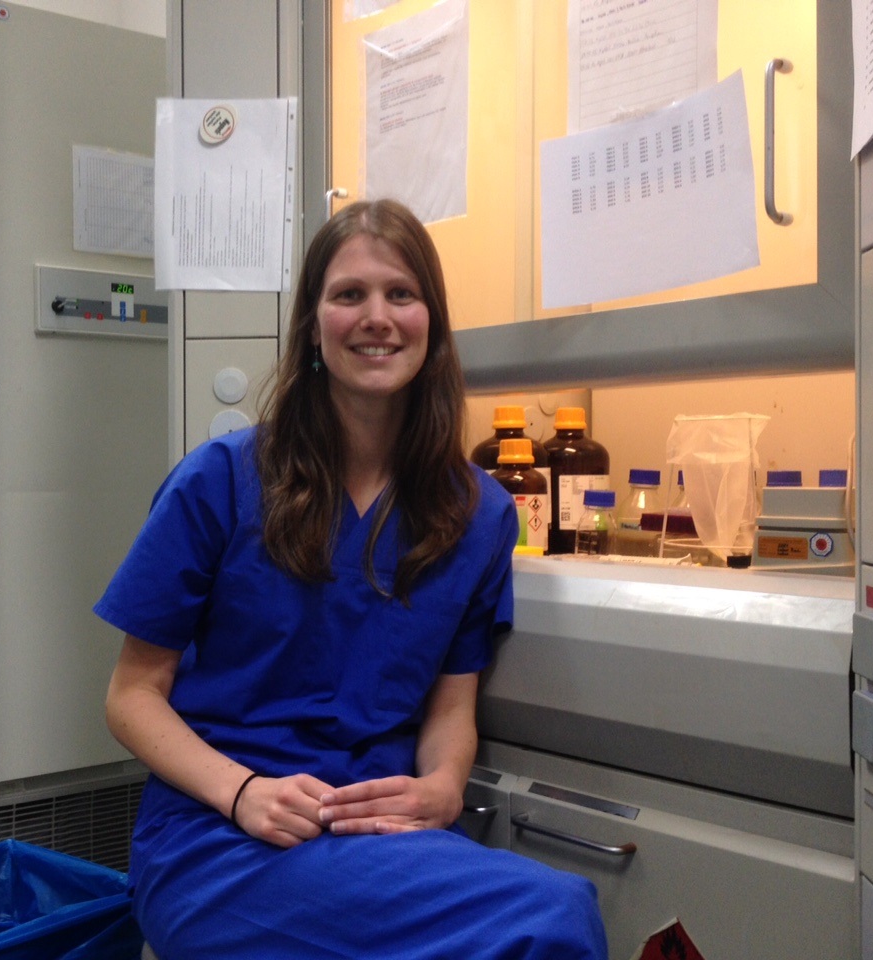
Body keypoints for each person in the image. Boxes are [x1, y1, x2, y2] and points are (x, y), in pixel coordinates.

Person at [97, 198, 607, 959]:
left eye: (401, 294)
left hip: (379, 837)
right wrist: (243, 793)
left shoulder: (479, 515)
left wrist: (441, 787)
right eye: (349, 295)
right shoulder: (221, 482)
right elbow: (131, 696)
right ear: (313, 324)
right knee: (546, 920)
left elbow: (450, 709)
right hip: (218, 840)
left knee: (558, 909)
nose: (377, 316)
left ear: (431, 323)